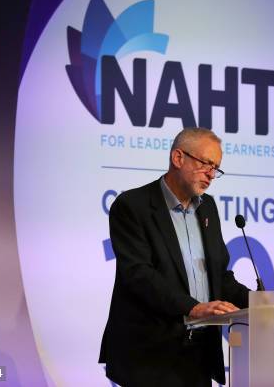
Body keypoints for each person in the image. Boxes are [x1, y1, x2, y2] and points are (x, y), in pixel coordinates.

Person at [99, 127, 250, 387]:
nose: (211, 175)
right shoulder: (132, 206)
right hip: (150, 357)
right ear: (178, 158)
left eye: (216, 168)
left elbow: (219, 277)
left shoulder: (208, 209)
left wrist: (264, 304)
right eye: (205, 164)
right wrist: (192, 307)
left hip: (199, 356)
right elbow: (139, 275)